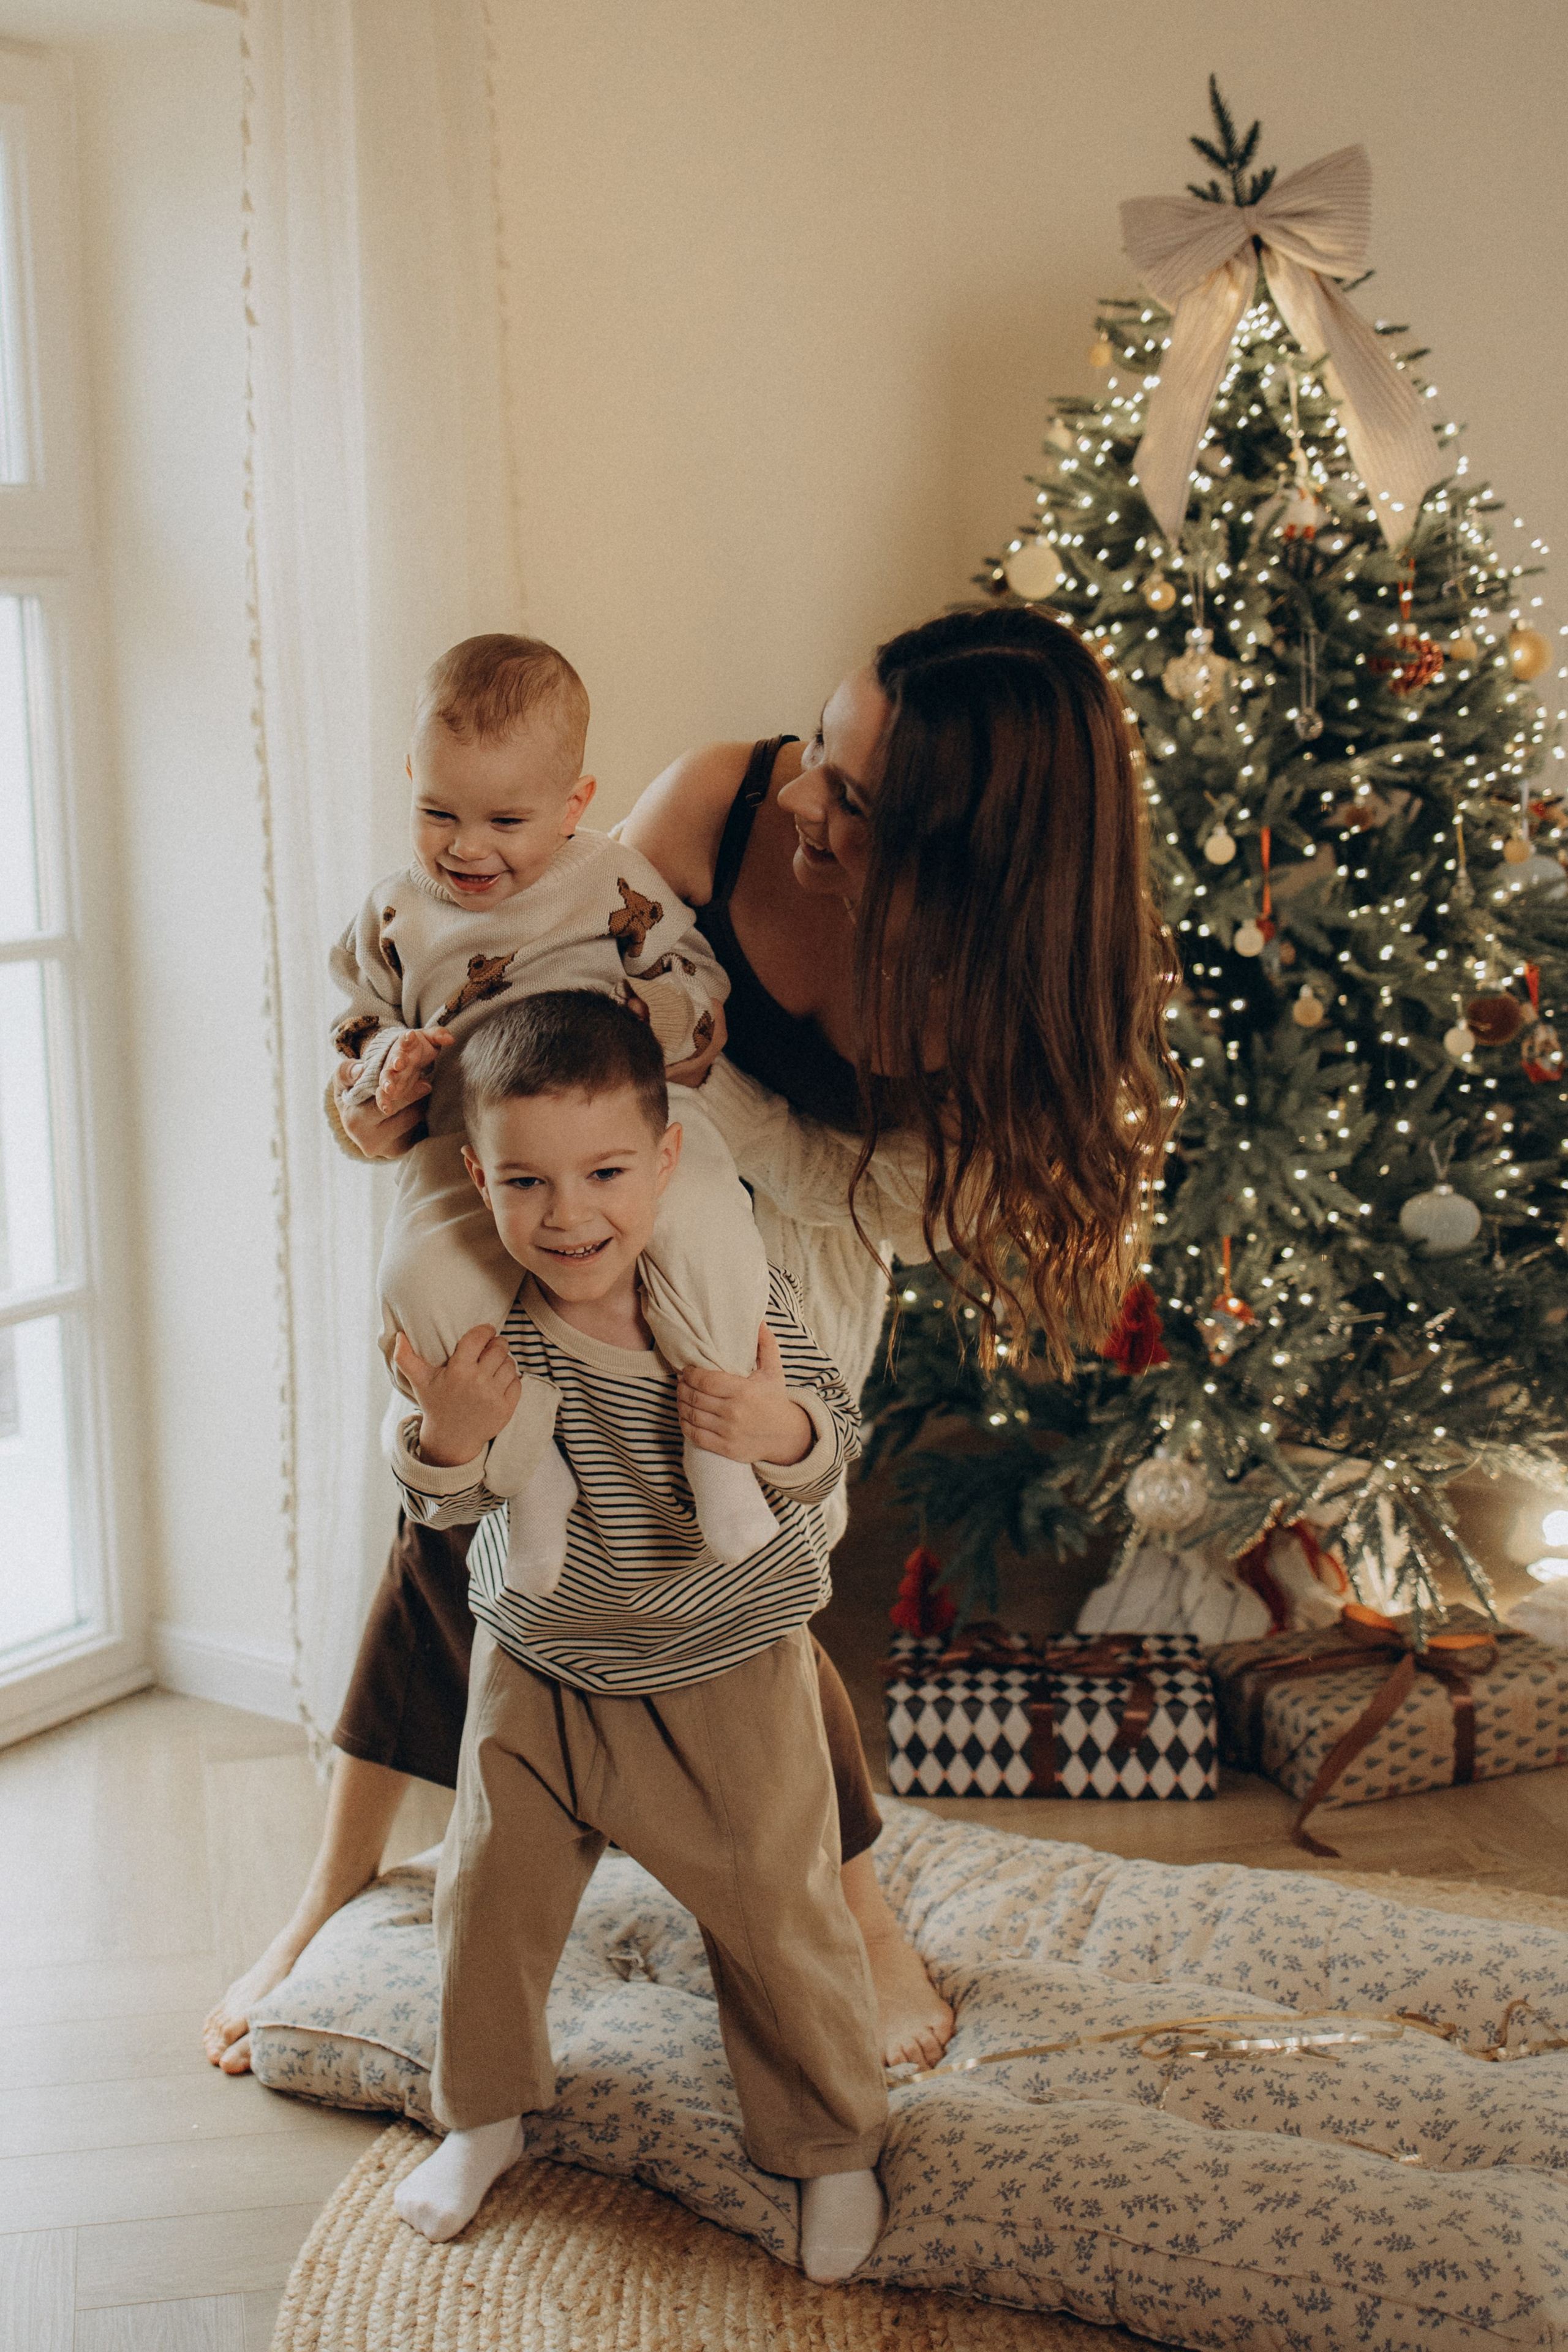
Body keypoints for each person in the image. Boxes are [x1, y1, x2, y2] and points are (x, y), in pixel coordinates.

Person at [203, 602, 1178, 2080]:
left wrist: (708, 1151)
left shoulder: (1017, 979)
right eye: (820, 744)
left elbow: (915, 1211)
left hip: (783, 1255)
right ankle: (332, 1883)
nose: (802, 794)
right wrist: (437, 1109)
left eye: (852, 797)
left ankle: (856, 1911)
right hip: (591, 1193)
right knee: (463, 1506)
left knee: (747, 1582)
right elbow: (542, 995)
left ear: (956, 851)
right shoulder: (724, 808)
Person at [385, 992, 888, 2279]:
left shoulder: (725, 1289)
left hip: (723, 1658)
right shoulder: (475, 1321)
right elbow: (440, 1502)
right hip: (540, 1659)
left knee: (775, 1912)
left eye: (605, 1173)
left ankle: (830, 2144)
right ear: (476, 1179)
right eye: (526, 1183)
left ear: (666, 1162)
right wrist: (447, 1433)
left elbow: (830, 1439)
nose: (569, 1216)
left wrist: (773, 1428)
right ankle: (484, 2117)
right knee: (485, 1898)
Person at [334, 631, 785, 1588]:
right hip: (471, 1145)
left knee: (713, 1228)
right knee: (418, 1285)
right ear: (411, 776)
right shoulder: (394, 915)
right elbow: (357, 1025)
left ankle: (718, 1446)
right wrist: (385, 1063)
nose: (467, 846)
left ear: (574, 805)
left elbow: (699, 986)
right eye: (438, 812)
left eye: (507, 820)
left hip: (622, 1126)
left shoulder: (611, 879)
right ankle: (532, 1476)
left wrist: (647, 1014)